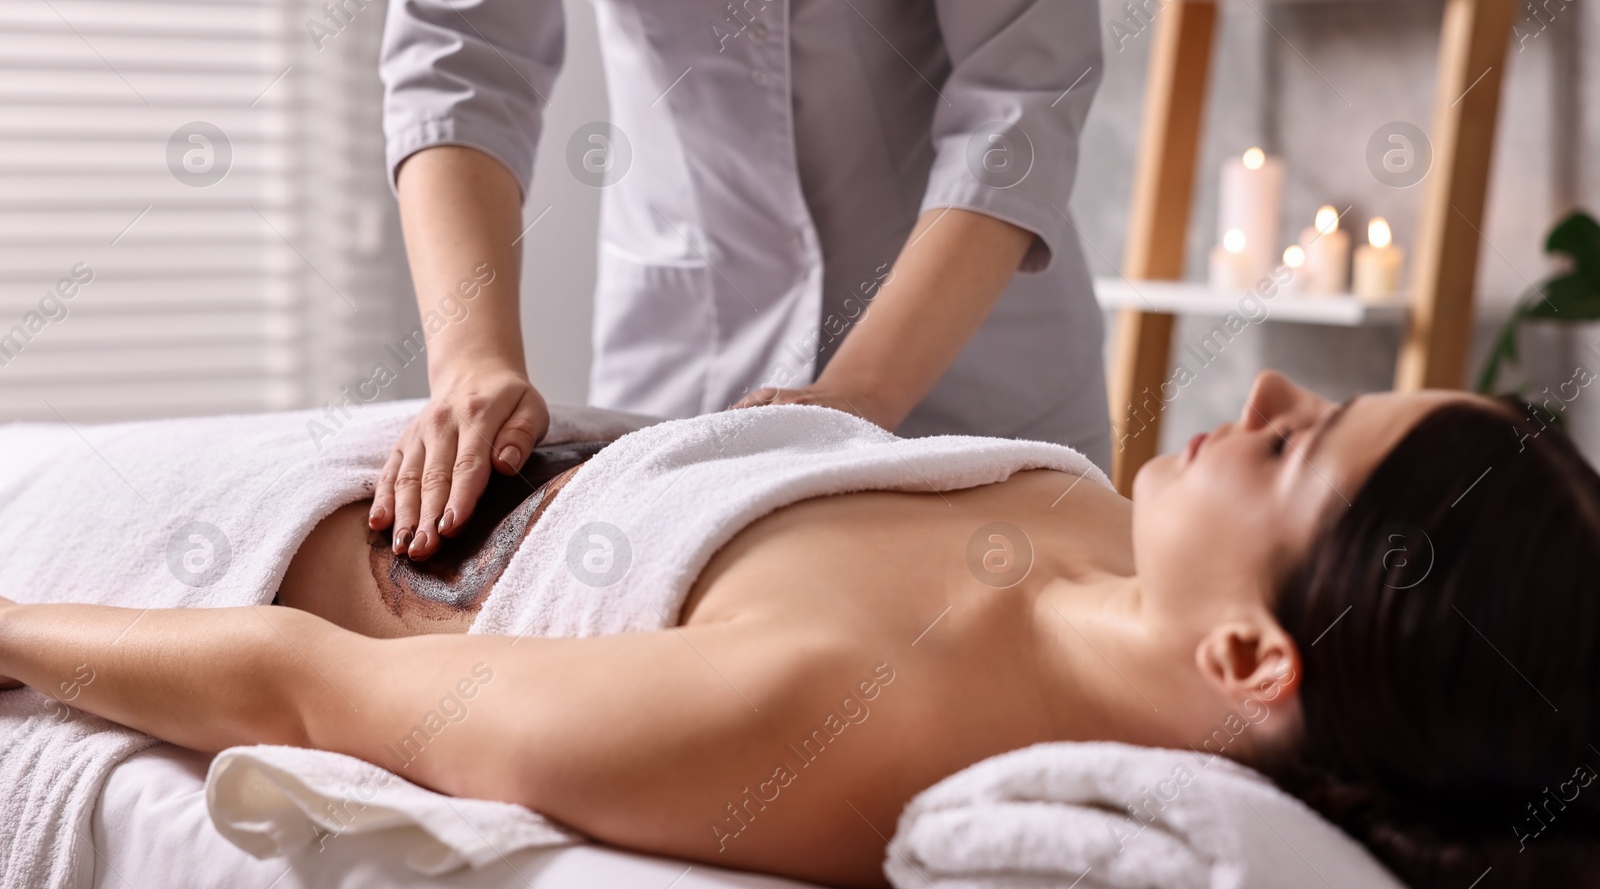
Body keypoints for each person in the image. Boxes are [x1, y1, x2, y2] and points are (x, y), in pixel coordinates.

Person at [5, 372, 1598, 887]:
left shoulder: (829, 713)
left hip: (239, 543)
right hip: (407, 439)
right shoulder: (1094, 530)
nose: (1258, 392)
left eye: (1294, 446)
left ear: (1253, 658)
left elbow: (315, 687)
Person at [372, 0, 1109, 561]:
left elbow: (1018, 93)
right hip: (685, 364)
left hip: (967, 360)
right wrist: (473, 360)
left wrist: (859, 395)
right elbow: (460, 59)